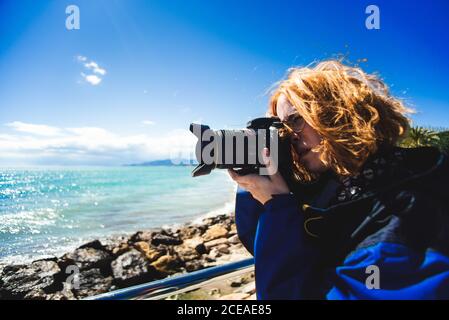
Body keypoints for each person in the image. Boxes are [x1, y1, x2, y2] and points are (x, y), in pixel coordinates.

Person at [228, 60, 449, 300]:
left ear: (337, 113)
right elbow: (276, 253)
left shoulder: (404, 205)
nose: (288, 136)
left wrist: (278, 207)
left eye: (295, 120)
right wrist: (258, 189)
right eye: (281, 128)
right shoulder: (349, 185)